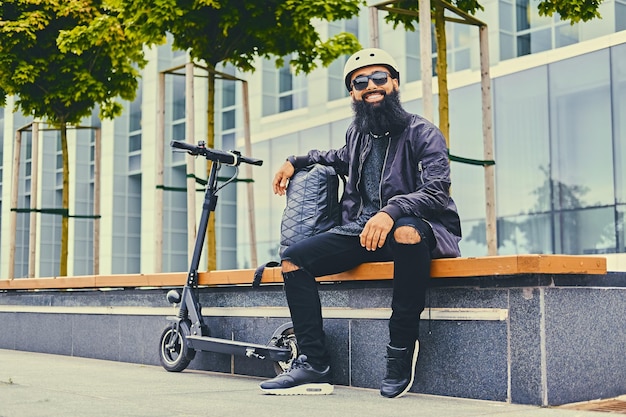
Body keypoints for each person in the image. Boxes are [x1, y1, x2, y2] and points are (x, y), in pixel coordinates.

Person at [259, 48, 462, 398]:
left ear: (395, 83)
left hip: (418, 229)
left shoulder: (423, 133)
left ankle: (400, 348)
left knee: (407, 233)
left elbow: (437, 192)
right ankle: (313, 364)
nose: (372, 86)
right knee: (293, 259)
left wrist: (392, 210)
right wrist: (296, 160)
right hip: (361, 231)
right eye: (361, 82)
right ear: (353, 93)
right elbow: (335, 158)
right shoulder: (358, 134)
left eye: (380, 78)